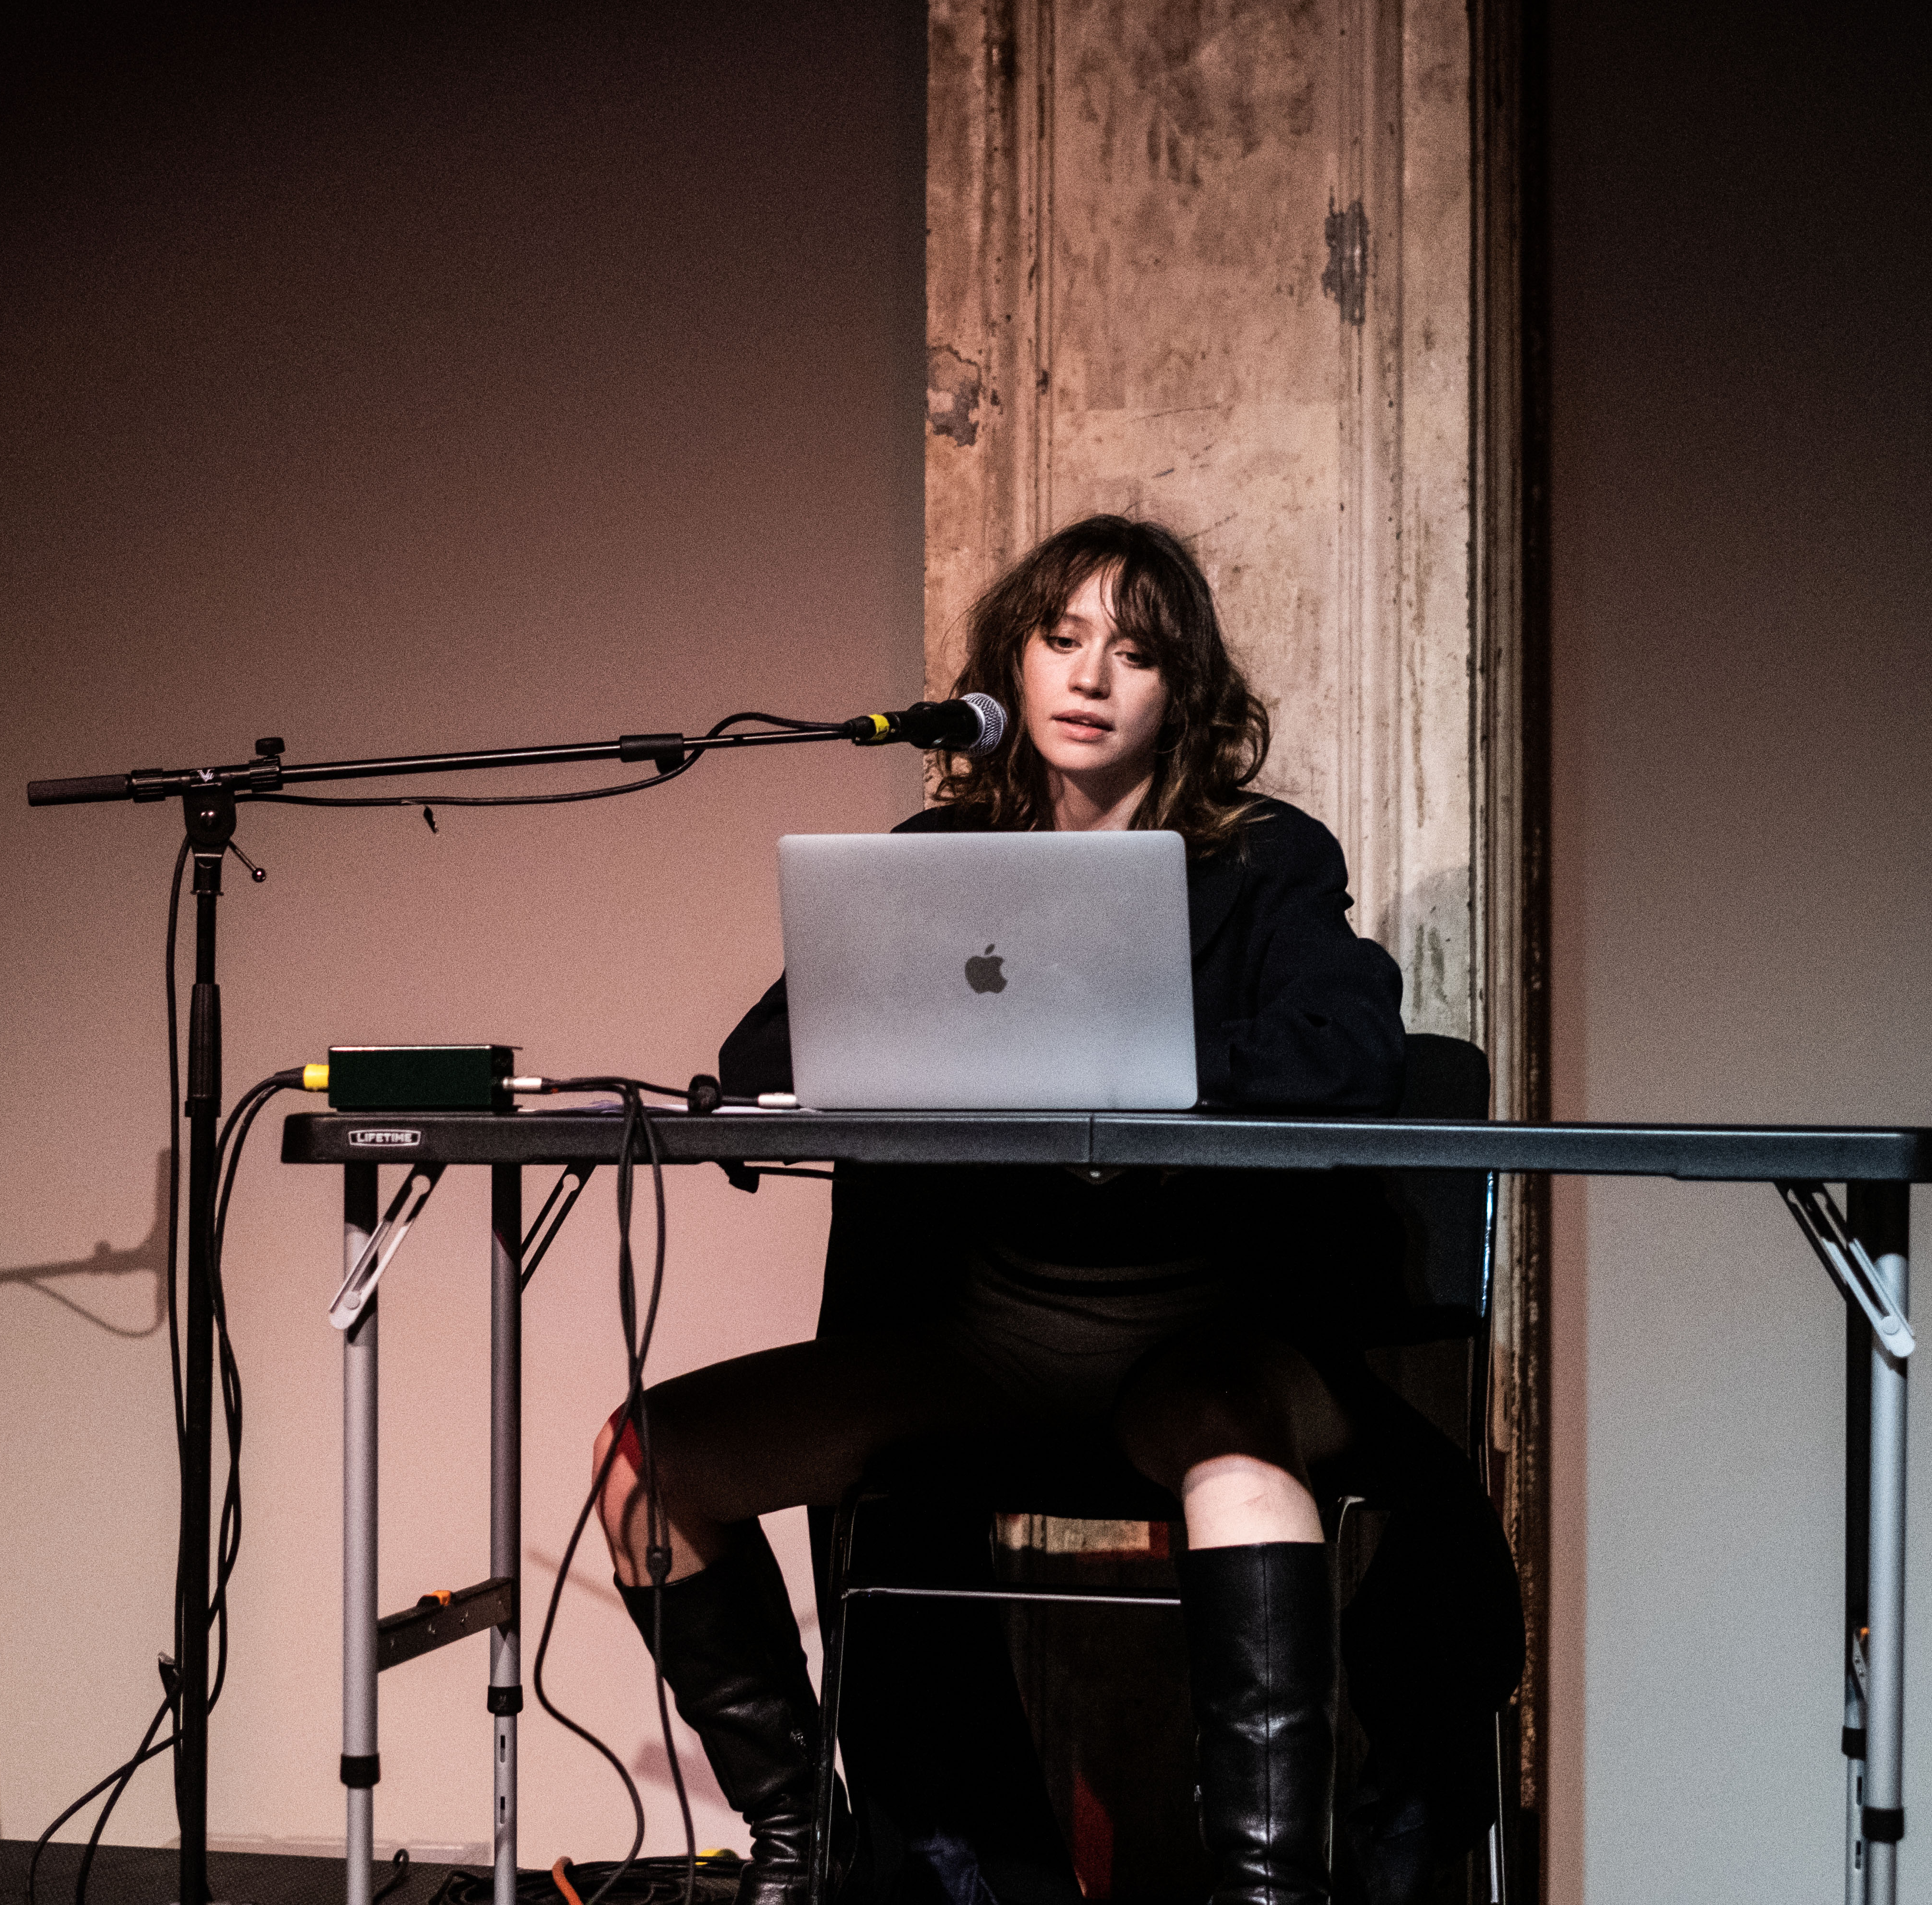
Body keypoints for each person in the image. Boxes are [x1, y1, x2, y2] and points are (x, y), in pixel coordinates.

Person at [594, 517, 1522, 1905]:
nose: (1092, 676)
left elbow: (1350, 1050)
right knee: (648, 1462)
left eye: (1136, 652)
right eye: (1063, 638)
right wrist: (965, 1049)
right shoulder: (939, 856)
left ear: (1185, 693)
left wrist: (1127, 1057)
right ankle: (812, 1851)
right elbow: (768, 1055)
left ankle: (1269, 1894)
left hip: (1205, 1352)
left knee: (1237, 1455)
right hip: (981, 1356)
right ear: (1012, 668)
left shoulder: (1266, 858)